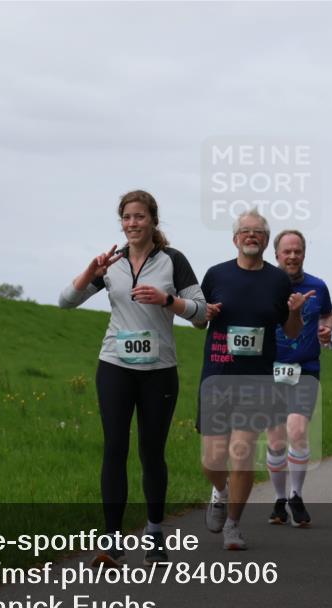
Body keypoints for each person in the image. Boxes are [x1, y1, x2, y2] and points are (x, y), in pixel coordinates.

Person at [59, 190, 207, 567]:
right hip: (114, 365)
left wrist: (167, 301)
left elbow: (202, 314)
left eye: (139, 217)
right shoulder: (113, 263)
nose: (132, 224)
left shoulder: (173, 261)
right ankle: (111, 540)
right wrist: (91, 272)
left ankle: (155, 534)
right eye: (126, 217)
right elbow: (65, 301)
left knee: (151, 453)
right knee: (114, 449)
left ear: (153, 221)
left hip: (158, 372)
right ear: (121, 222)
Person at [197, 210, 310, 550]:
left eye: (258, 232)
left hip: (257, 379)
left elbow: (291, 331)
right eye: (245, 231)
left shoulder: (277, 281)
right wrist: (205, 313)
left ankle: (233, 526)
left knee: (241, 453)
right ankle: (219, 491)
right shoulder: (216, 275)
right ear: (235, 239)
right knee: (212, 460)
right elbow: (197, 322)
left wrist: (294, 312)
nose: (251, 236)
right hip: (217, 375)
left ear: (265, 240)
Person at [265, 229, 332, 528]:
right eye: (286, 251)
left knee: (296, 431)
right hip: (270, 370)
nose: (292, 256)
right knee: (276, 439)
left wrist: (327, 329)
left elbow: (329, 315)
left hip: (306, 368)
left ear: (304, 254)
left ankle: (296, 495)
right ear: (276, 254)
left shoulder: (318, 286)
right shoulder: (265, 285)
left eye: (297, 251)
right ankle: (280, 500)